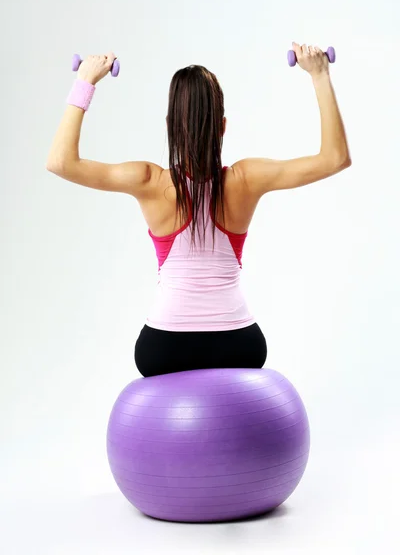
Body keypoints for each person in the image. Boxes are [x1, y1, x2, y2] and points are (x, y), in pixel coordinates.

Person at [47, 42, 351, 377]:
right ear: (222, 126)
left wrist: (86, 80)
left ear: (169, 126)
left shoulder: (149, 181)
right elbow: (335, 158)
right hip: (239, 344)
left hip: (163, 347)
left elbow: (60, 163)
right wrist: (320, 74)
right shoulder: (247, 179)